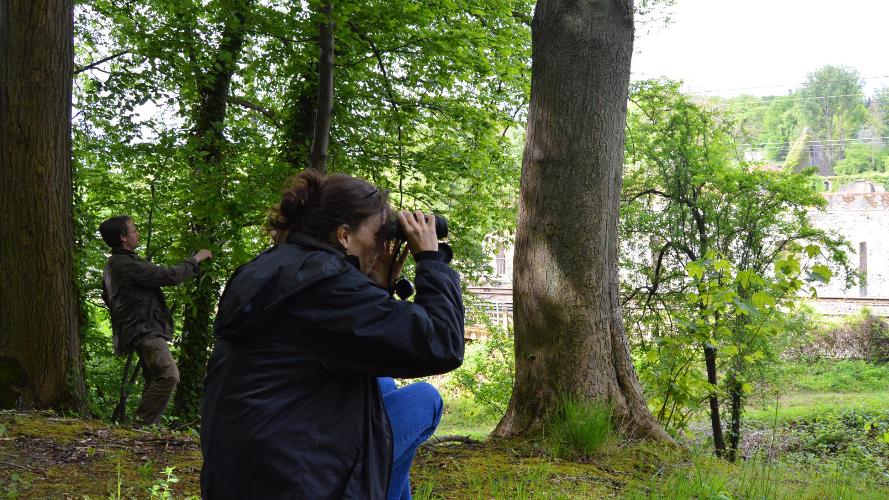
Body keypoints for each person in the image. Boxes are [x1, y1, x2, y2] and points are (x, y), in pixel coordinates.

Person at [200, 170, 465, 499]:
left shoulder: (272, 269)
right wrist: (431, 259)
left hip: (244, 470)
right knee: (426, 399)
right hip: (294, 482)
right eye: (378, 233)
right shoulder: (326, 285)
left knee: (381, 384)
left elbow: (354, 343)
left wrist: (377, 286)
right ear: (343, 235)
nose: (383, 244)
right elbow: (442, 344)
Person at [99, 216, 212, 425]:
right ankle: (141, 426)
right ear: (124, 237)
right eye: (134, 230)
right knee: (169, 375)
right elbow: (168, 275)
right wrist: (196, 259)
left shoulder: (115, 263)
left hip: (137, 328)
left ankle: (146, 427)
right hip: (143, 329)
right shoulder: (125, 264)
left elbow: (107, 296)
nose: (137, 233)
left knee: (154, 378)